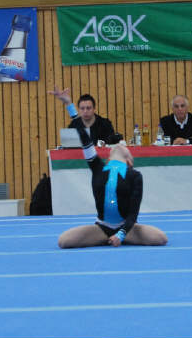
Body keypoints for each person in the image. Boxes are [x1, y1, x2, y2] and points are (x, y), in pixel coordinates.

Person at [48, 86, 168, 249]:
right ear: (108, 157)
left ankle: (115, 237)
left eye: (122, 148)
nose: (118, 147)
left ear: (129, 160)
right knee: (63, 241)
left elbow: (133, 214)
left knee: (161, 238)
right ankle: (107, 237)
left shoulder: (134, 176)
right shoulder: (97, 166)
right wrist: (69, 105)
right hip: (102, 227)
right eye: (115, 148)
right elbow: (83, 135)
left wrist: (121, 234)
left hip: (127, 228)